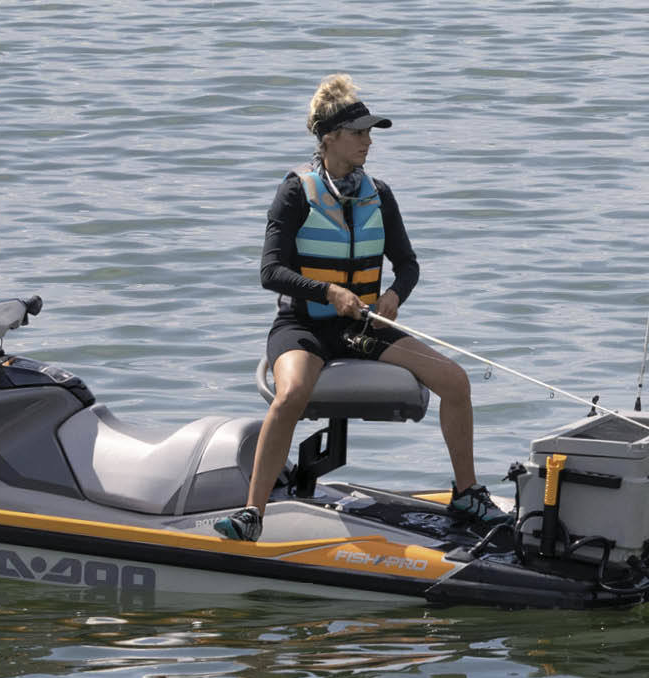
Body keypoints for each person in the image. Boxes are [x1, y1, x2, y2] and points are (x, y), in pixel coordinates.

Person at [214, 73, 509, 542]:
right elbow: (270, 272)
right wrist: (328, 292)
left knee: (455, 381)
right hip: (303, 325)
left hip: (361, 327)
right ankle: (253, 512)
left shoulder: (380, 194)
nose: (368, 142)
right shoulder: (295, 193)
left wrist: (393, 296)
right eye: (359, 133)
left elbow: (407, 265)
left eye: (371, 133)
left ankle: (467, 493)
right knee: (291, 395)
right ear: (329, 138)